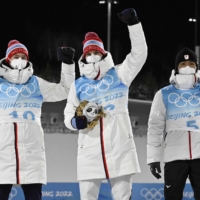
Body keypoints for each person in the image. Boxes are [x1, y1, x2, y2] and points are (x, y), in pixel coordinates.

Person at [64, 8, 147, 200]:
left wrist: (134, 25)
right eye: (89, 52)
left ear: (102, 54)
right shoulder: (78, 85)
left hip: (120, 149)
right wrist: (76, 123)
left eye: (96, 52)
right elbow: (68, 115)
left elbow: (139, 54)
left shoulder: (119, 74)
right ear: (84, 56)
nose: (93, 55)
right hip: (89, 152)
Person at [0, 40, 75, 200]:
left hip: (32, 155)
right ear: (8, 59)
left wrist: (68, 64)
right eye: (16, 56)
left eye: (23, 56)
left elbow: (65, 90)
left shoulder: (36, 83)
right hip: (2, 156)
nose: (20, 60)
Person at [147, 48, 200, 200]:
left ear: (196, 66)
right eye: (183, 64)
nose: (187, 66)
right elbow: (155, 127)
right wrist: (153, 158)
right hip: (174, 157)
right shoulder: (164, 94)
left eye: (191, 63)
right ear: (177, 67)